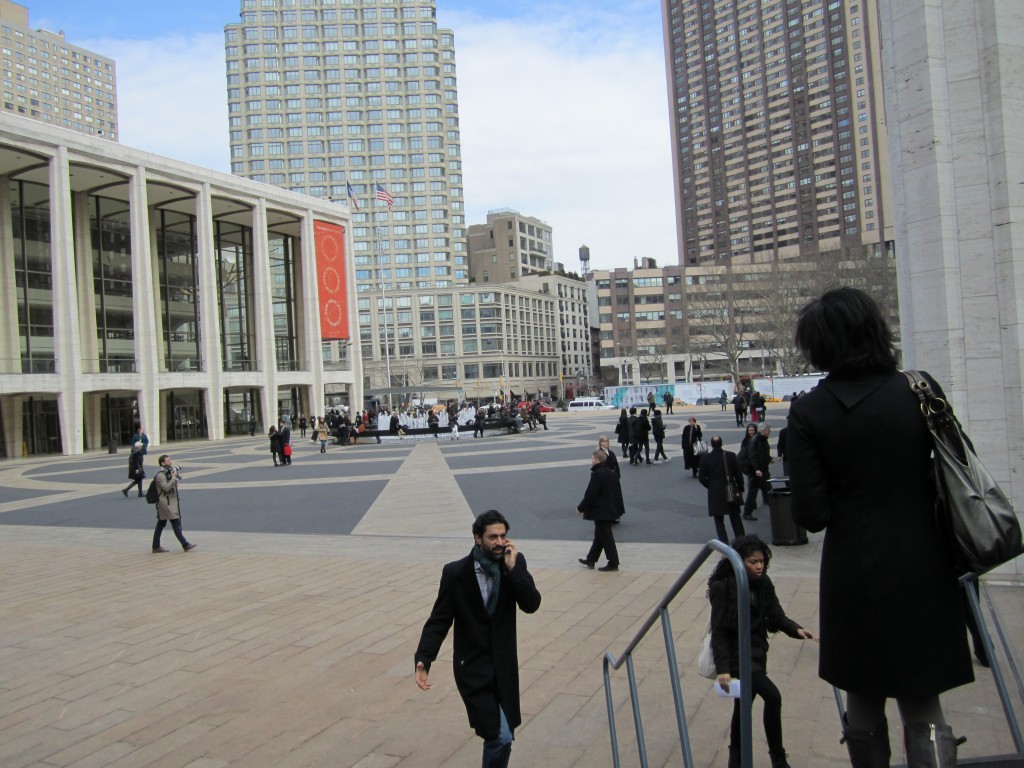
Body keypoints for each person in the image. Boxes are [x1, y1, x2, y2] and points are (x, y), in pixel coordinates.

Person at [788, 287, 974, 764]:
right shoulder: (921, 389)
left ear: (819, 345)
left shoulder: (810, 410)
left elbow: (811, 514)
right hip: (925, 558)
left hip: (855, 567)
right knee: (923, 697)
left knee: (863, 697)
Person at [415, 510, 542, 768]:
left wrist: (512, 569)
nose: (499, 542)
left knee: (500, 735)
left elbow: (532, 604)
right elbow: (439, 619)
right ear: (477, 538)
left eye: (503, 536)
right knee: (500, 736)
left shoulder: (513, 564)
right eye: (492, 536)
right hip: (472, 667)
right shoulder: (456, 574)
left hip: (503, 668)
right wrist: (424, 658)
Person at [708, 535, 818, 768]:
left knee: (742, 705)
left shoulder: (764, 584)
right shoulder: (723, 587)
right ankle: (778, 759)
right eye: (752, 562)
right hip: (738, 657)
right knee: (773, 696)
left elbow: (775, 615)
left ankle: (735, 760)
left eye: (761, 561)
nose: (759, 566)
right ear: (739, 561)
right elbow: (718, 631)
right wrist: (724, 669)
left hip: (757, 652)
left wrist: (796, 629)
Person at [576, 449, 624, 571]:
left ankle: (613, 562)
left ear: (597, 460)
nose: (591, 460)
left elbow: (591, 494)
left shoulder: (597, 474)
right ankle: (591, 559)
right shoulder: (611, 473)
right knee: (600, 536)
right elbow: (617, 493)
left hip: (601, 511)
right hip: (610, 509)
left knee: (606, 537)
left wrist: (580, 507)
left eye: (592, 458)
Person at [698, 436, 745, 543]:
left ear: (711, 445)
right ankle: (742, 541)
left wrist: (709, 485)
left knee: (718, 519)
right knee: (735, 517)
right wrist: (740, 488)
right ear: (721, 443)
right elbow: (738, 474)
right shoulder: (731, 456)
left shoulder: (705, 458)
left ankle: (724, 543)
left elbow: (701, 477)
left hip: (714, 491)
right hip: (730, 488)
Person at [151, 454, 197, 553]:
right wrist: (173, 478)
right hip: (166, 504)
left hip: (170, 502)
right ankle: (185, 544)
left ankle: (155, 546)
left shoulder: (167, 473)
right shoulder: (160, 475)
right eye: (168, 461)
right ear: (162, 463)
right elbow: (166, 488)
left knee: (161, 523)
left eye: (170, 460)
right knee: (175, 522)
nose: (170, 462)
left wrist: (174, 481)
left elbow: (172, 486)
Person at [742, 423, 772, 522]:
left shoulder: (761, 439)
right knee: (753, 492)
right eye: (768, 430)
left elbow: (762, 454)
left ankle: (775, 508)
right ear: (763, 430)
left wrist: (769, 459)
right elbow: (753, 456)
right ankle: (747, 512)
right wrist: (756, 469)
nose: (770, 431)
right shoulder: (755, 440)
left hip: (763, 470)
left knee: (767, 489)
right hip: (758, 471)